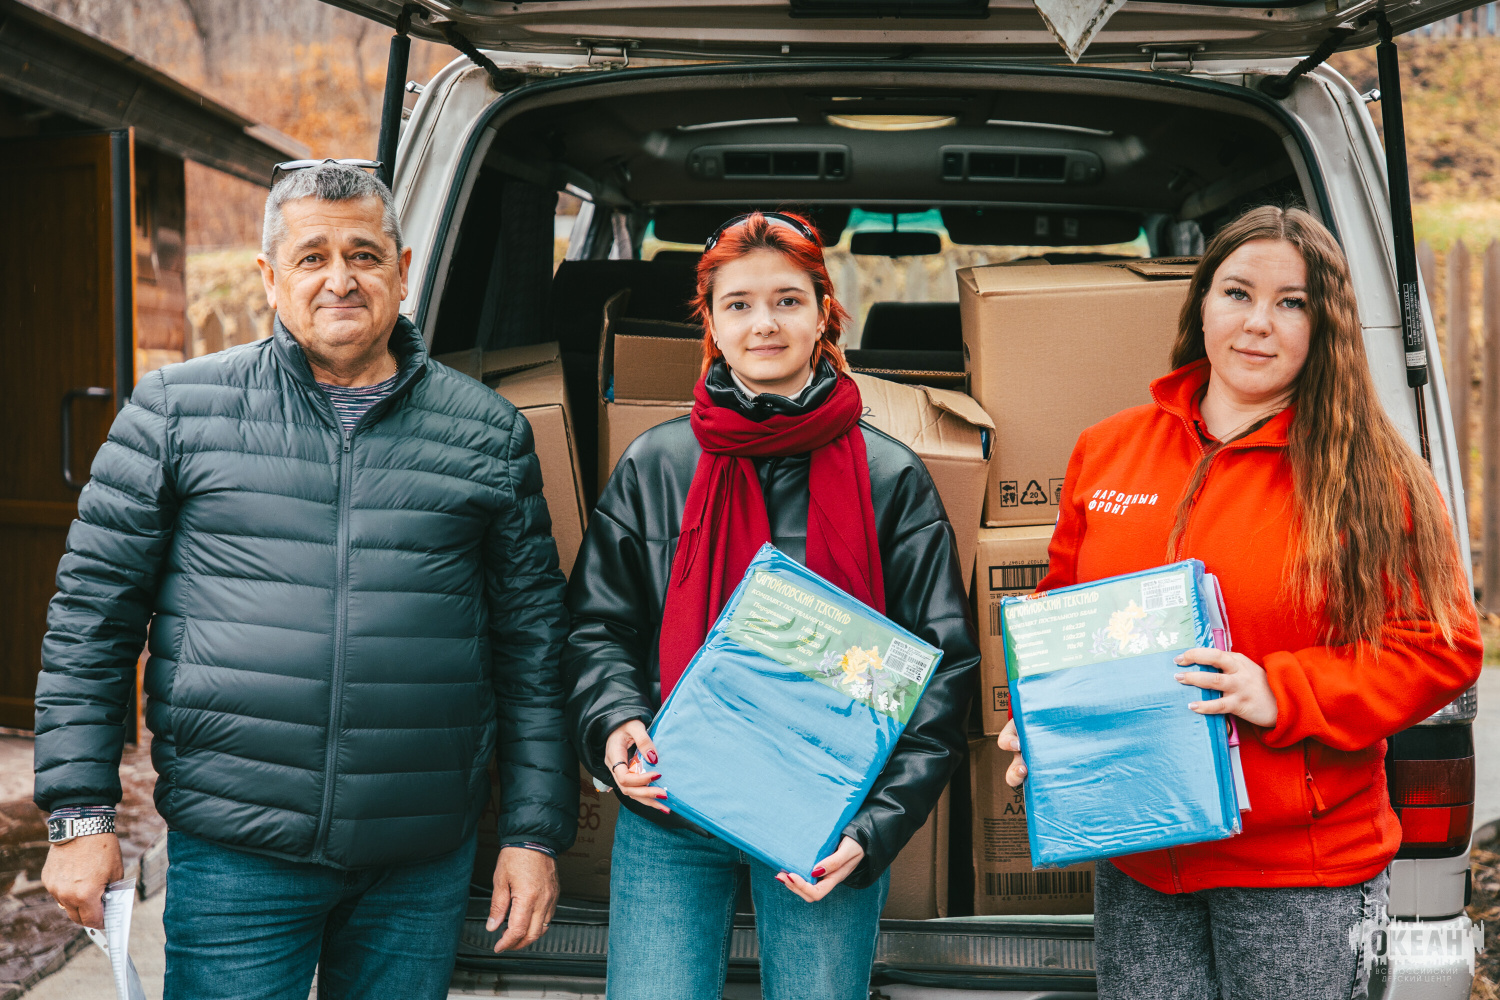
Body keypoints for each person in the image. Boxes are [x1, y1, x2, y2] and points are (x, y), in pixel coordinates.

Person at [34, 161, 577, 1000]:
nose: (340, 279)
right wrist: (80, 815)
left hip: (417, 861)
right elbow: (89, 622)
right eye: (312, 256)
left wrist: (534, 833)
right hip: (237, 853)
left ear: (402, 268)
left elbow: (533, 649)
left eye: (363, 254)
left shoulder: (488, 434)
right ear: (269, 277)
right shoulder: (176, 411)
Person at [997, 204, 1483, 999]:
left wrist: (1281, 689)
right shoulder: (1109, 449)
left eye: (1292, 302)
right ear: (1201, 306)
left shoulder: (1371, 470)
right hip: (1142, 859)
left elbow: (1441, 645)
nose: (1260, 323)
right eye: (1237, 293)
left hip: (1300, 869)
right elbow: (1062, 615)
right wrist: (1044, 718)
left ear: (1324, 323)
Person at [561, 211, 978, 999]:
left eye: (788, 301)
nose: (765, 323)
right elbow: (596, 628)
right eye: (740, 304)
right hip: (670, 805)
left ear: (824, 310)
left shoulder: (890, 478)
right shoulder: (657, 464)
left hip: (824, 818)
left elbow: (943, 668)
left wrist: (875, 827)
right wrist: (615, 724)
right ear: (711, 323)